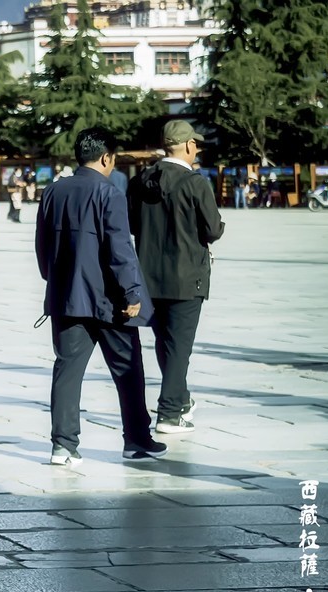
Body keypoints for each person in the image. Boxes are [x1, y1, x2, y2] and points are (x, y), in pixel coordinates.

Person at [36, 127, 166, 466]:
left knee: (67, 370)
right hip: (110, 301)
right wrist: (133, 291)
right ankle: (136, 439)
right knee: (127, 369)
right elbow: (119, 248)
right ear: (107, 157)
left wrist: (55, 279)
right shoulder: (109, 194)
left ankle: (63, 446)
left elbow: (42, 247)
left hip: (67, 298)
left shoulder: (53, 192)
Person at [128, 120, 225, 436]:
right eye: (195, 143)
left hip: (149, 277)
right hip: (187, 278)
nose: (197, 148)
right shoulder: (194, 182)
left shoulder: (142, 180)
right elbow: (212, 229)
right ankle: (169, 413)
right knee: (179, 347)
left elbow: (132, 223)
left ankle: (180, 399)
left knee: (165, 344)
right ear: (185, 145)